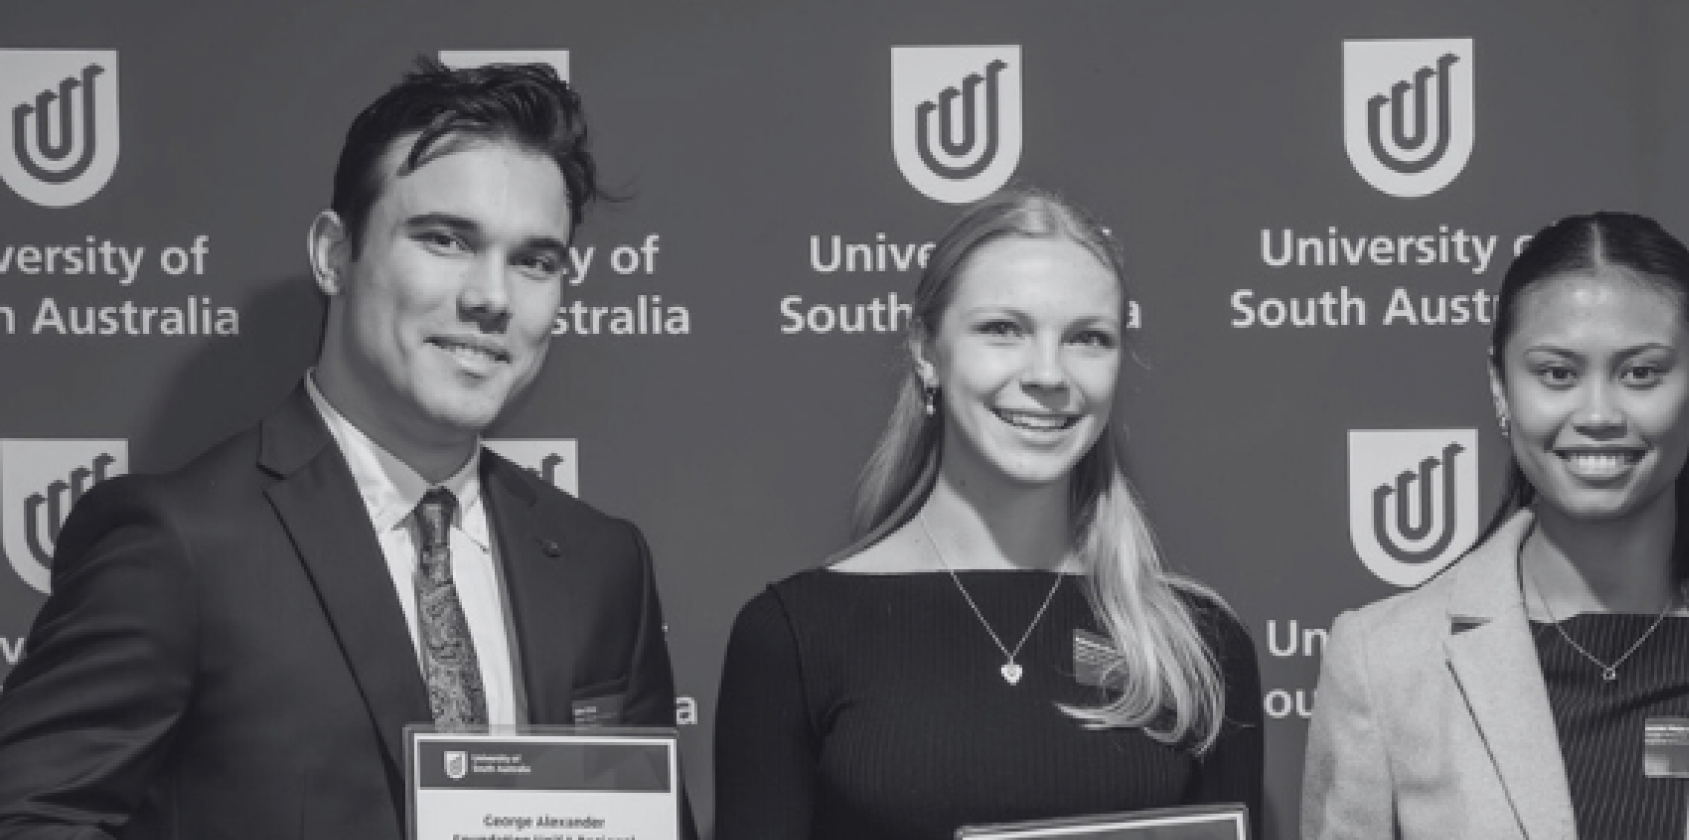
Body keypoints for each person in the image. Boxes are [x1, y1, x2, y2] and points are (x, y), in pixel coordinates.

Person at [0, 58, 692, 839]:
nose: (491, 298)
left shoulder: (604, 564)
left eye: (533, 261)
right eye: (445, 240)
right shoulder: (179, 542)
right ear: (334, 253)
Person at [1303, 211, 1689, 840]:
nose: (1598, 413)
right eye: (1557, 374)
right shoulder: (1381, 663)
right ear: (1500, 387)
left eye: (1641, 374)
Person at [715, 187, 1262, 840]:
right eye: (1003, 329)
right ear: (926, 348)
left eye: (1088, 338)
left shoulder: (1197, 644)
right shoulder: (792, 637)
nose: (1049, 373)